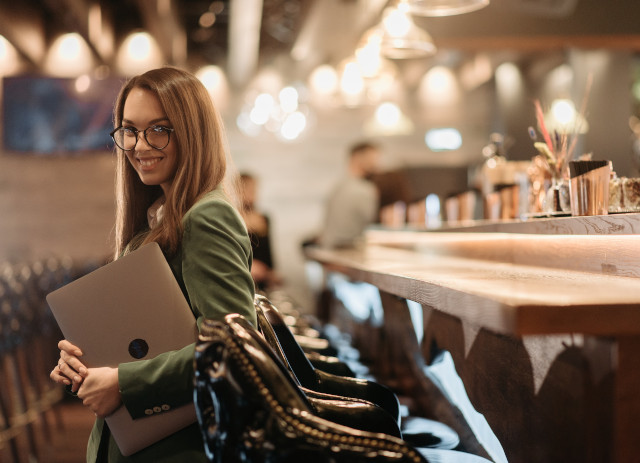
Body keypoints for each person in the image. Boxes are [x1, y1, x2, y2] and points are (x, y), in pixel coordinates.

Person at [49, 67, 256, 462]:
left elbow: (234, 348)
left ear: (192, 132)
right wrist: (84, 358)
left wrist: (124, 383)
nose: (140, 146)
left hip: (178, 446)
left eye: (158, 129)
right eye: (129, 130)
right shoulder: (158, 215)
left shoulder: (206, 216)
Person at [318, 141, 381, 248]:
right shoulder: (364, 189)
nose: (377, 164)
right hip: (348, 249)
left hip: (329, 247)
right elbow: (373, 224)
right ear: (357, 158)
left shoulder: (337, 186)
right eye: (373, 158)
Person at [239, 172, 281, 291]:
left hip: (264, 280)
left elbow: (269, 251)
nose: (252, 193)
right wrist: (249, 267)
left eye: (254, 189)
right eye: (248, 189)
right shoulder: (234, 218)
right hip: (245, 277)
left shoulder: (264, 218)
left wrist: (272, 272)